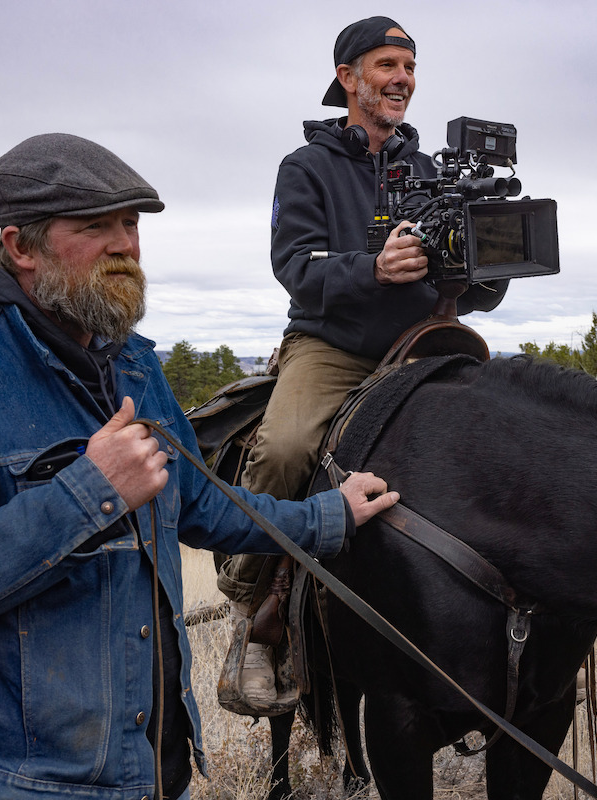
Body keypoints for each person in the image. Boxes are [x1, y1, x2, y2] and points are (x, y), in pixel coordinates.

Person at [0, 132, 399, 800]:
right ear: (20, 247)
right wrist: (89, 492)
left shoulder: (131, 364)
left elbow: (202, 505)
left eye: (131, 224)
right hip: (18, 784)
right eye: (94, 226)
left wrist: (330, 516)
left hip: (155, 770)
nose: (125, 245)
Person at [216, 15, 508, 706]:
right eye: (386, 66)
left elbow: (478, 296)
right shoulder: (308, 167)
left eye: (408, 68)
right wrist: (372, 269)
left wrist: (491, 263)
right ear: (348, 78)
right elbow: (294, 266)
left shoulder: (439, 173)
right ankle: (249, 612)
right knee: (286, 448)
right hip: (333, 345)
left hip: (425, 343)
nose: (401, 79)